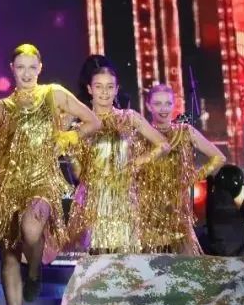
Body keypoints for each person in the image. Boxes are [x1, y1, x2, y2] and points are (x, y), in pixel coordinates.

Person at [0, 44, 100, 305]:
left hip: (43, 180)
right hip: (8, 185)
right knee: (10, 254)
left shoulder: (54, 94)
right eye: (20, 67)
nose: (26, 73)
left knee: (32, 226)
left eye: (31, 67)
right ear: (12, 69)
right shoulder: (2, 106)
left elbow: (93, 121)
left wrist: (68, 137)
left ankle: (35, 271)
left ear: (40, 68)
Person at [67, 65, 169, 254]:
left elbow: (163, 144)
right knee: (97, 261)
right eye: (98, 86)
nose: (104, 92)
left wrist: (137, 163)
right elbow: (79, 174)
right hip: (94, 202)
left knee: (125, 262)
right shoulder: (81, 127)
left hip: (124, 200)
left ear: (116, 89)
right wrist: (72, 153)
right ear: (89, 89)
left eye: (109, 86)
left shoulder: (129, 118)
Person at [140, 84, 226, 254]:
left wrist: (192, 177)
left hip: (178, 213)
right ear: (149, 106)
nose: (163, 109)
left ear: (174, 105)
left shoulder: (185, 132)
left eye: (168, 103)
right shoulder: (140, 134)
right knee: (147, 267)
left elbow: (219, 158)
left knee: (186, 267)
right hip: (147, 215)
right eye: (157, 103)